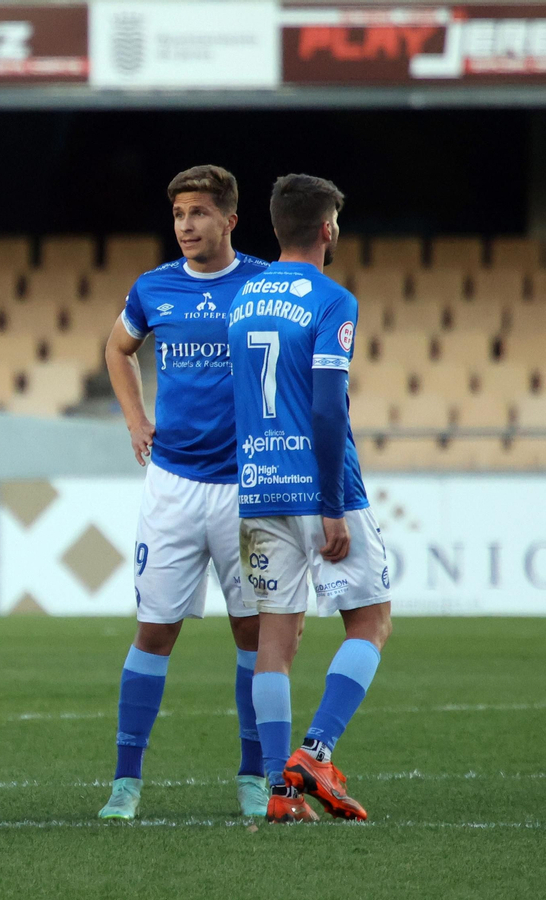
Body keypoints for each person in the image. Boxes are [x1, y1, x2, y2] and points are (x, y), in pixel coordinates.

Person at [96, 166, 273, 821]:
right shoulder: (154, 287)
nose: (186, 226)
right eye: (178, 214)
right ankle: (125, 783)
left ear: (230, 219)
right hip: (171, 486)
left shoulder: (264, 284)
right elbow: (117, 349)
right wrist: (135, 419)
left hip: (246, 488)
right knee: (154, 631)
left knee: (252, 633)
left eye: (198, 213)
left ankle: (253, 776)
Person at [227, 174, 391, 824]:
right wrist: (331, 503)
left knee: (276, 637)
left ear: (275, 227)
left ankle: (280, 791)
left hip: (257, 486)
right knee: (371, 621)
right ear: (327, 229)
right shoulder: (333, 301)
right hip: (318, 486)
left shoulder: (243, 298)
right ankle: (317, 753)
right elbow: (327, 408)